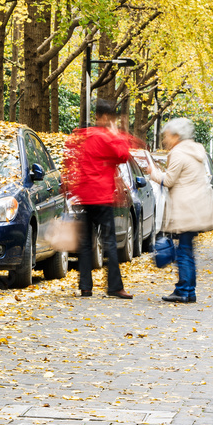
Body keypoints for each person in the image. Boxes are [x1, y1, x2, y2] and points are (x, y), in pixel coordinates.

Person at [64, 99, 135, 299]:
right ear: (106, 117)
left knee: (86, 243)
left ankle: (86, 286)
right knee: (109, 242)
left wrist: (69, 186)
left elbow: (70, 160)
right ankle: (114, 286)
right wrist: (117, 133)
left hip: (85, 195)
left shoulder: (82, 136)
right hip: (102, 196)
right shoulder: (105, 137)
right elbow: (123, 155)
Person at [143, 118, 213, 303]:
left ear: (176, 136)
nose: (165, 140)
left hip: (186, 208)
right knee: (187, 249)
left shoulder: (178, 153)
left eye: (167, 136)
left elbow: (168, 180)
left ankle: (184, 290)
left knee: (184, 251)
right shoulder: (194, 150)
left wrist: (152, 172)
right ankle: (188, 290)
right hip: (196, 208)